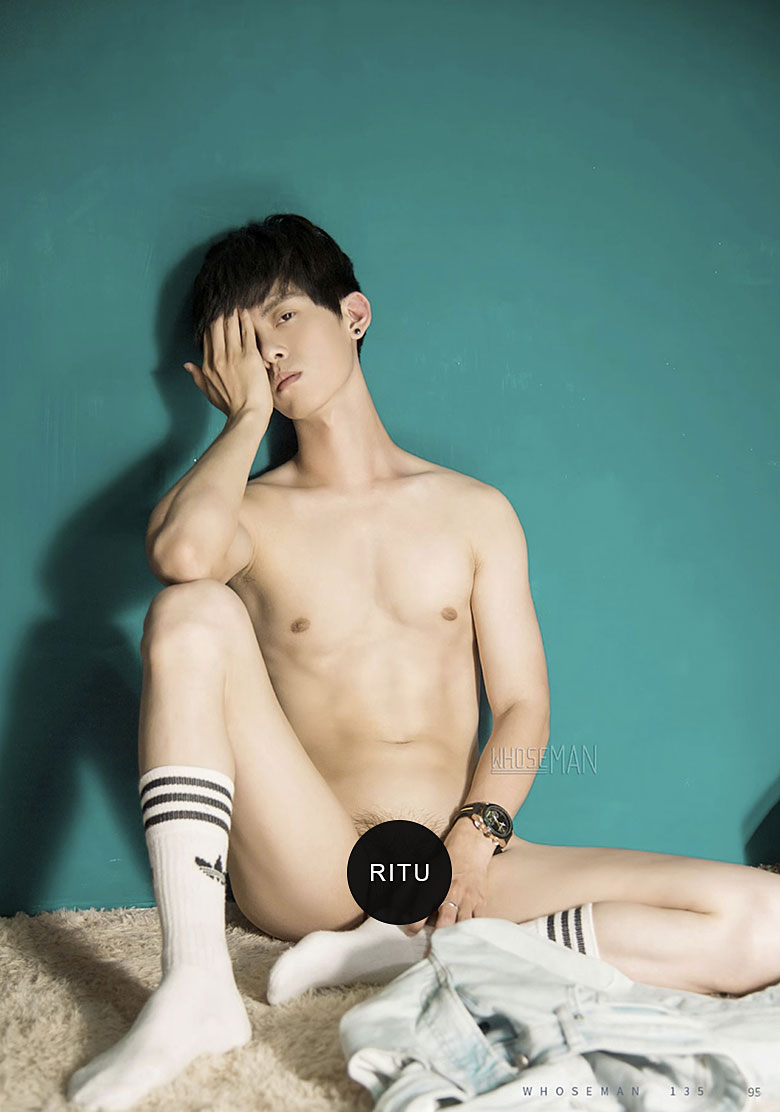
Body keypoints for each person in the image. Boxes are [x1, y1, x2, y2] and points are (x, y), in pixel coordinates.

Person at [67, 214, 780, 1111]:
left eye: (284, 316)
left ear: (354, 314)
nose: (269, 349)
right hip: (315, 867)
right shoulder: (248, 515)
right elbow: (179, 558)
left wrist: (474, 842)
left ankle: (422, 945)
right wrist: (246, 416)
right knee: (190, 609)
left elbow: (523, 708)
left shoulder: (474, 511)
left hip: (455, 855)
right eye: (244, 339)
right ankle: (195, 988)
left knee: (765, 922)